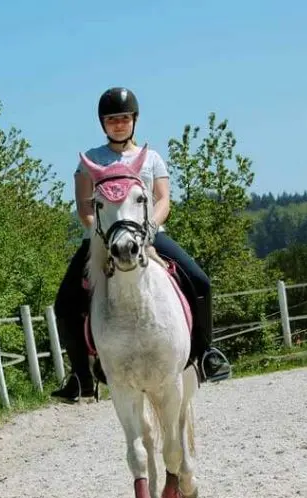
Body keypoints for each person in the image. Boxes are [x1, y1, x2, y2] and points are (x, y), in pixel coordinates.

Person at [50, 86, 232, 402]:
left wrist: (148, 231)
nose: (118, 124)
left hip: (148, 234)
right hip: (101, 239)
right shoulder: (89, 161)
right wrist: (104, 238)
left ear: (134, 119)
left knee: (200, 281)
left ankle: (205, 353)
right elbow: (84, 208)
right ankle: (80, 376)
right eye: (111, 119)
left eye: (123, 118)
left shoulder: (152, 159)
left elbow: (163, 200)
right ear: (102, 123)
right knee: (65, 303)